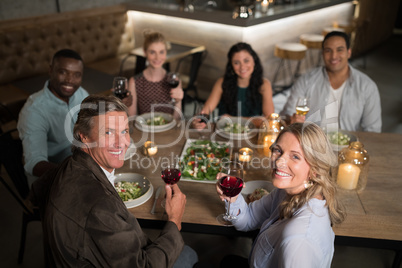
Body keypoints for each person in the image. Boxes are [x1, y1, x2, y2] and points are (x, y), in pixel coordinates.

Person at [31, 95, 198, 267]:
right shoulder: (101, 208)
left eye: (125, 131)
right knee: (188, 254)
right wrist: (174, 221)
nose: (122, 143)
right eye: (109, 132)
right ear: (84, 137)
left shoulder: (67, 165)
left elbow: (36, 192)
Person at [216, 122, 346, 268]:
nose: (279, 161)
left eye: (295, 157)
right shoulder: (288, 191)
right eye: (278, 150)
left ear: (315, 170)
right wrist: (233, 197)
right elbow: (249, 218)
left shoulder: (299, 239)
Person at [280, 31, 382, 132]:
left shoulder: (367, 87)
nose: (334, 56)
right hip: (310, 143)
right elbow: (287, 114)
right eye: (328, 50)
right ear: (322, 53)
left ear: (349, 53)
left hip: (346, 145)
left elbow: (373, 130)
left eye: (339, 50)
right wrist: (293, 120)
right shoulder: (306, 81)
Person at [17, 49, 89, 185]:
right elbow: (34, 163)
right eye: (63, 72)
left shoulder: (80, 93)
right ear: (51, 70)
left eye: (76, 75)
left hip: (82, 162)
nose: (69, 80)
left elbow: (93, 122)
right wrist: (72, 173)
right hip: (53, 180)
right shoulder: (34, 110)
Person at [193, 42, 274, 129]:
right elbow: (205, 111)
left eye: (246, 61)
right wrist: (199, 120)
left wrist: (233, 119)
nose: (242, 67)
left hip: (251, 133)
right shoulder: (221, 82)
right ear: (231, 65)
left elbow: (270, 120)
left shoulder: (264, 85)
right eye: (236, 63)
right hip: (225, 132)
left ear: (254, 61)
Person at [124, 30, 183, 119]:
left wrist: (179, 101)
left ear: (166, 52)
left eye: (161, 52)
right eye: (152, 52)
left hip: (168, 129)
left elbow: (177, 118)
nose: (157, 57)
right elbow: (132, 118)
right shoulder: (134, 81)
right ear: (145, 52)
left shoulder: (174, 80)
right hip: (145, 130)